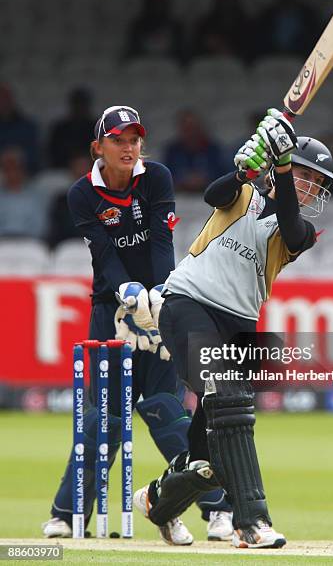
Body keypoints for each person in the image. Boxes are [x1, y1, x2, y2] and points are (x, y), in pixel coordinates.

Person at [133, 109, 333, 549]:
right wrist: (246, 167)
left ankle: (157, 502)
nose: (314, 188)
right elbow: (215, 192)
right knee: (229, 395)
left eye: (319, 184)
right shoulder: (242, 193)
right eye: (310, 178)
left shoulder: (300, 232)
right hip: (187, 304)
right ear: (288, 170)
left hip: (239, 327)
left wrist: (281, 166)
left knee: (209, 457)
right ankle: (252, 522)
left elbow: (290, 225)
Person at [42, 105, 233, 544]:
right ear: (98, 147)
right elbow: (104, 254)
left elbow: (163, 242)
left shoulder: (157, 177)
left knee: (167, 411)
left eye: (134, 140)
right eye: (118, 140)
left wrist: (160, 297)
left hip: (160, 306)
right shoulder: (81, 193)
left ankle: (218, 510)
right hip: (111, 311)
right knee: (103, 419)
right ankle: (68, 514)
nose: (128, 148)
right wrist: (127, 292)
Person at [162, 109, 226, 192]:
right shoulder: (172, 151)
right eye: (187, 129)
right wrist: (183, 181)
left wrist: (204, 180)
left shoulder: (213, 150)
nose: (191, 133)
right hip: (180, 198)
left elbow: (222, 176)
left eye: (193, 128)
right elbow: (165, 177)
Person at [0, 146, 46, 238]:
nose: (12, 173)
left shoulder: (35, 196)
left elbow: (41, 227)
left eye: (15, 167)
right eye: (7, 168)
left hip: (29, 244)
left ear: (22, 170)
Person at [47, 87, 96, 169]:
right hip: (63, 171)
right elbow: (53, 154)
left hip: (92, 169)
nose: (80, 107)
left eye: (82, 104)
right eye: (77, 103)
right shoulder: (60, 128)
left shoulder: (97, 127)